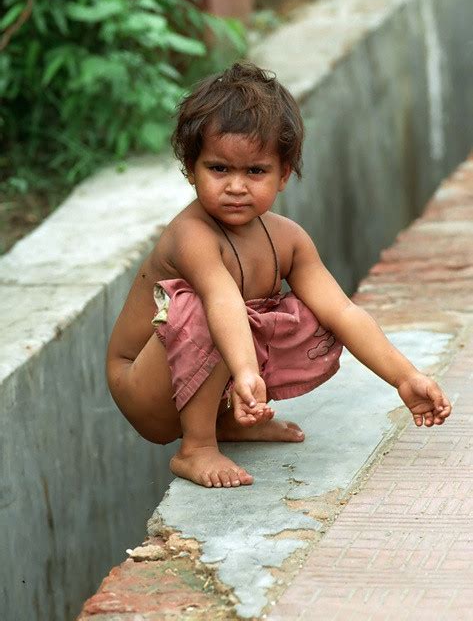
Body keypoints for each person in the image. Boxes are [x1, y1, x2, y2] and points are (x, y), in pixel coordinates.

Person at [106, 63, 452, 489]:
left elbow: (343, 311)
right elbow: (221, 301)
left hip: (209, 373)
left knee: (310, 312)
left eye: (255, 171)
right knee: (203, 307)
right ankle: (196, 447)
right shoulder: (191, 235)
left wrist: (405, 376)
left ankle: (228, 420)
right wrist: (247, 371)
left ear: (283, 174)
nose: (236, 186)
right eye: (218, 169)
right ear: (190, 168)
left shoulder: (288, 239)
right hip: (142, 386)